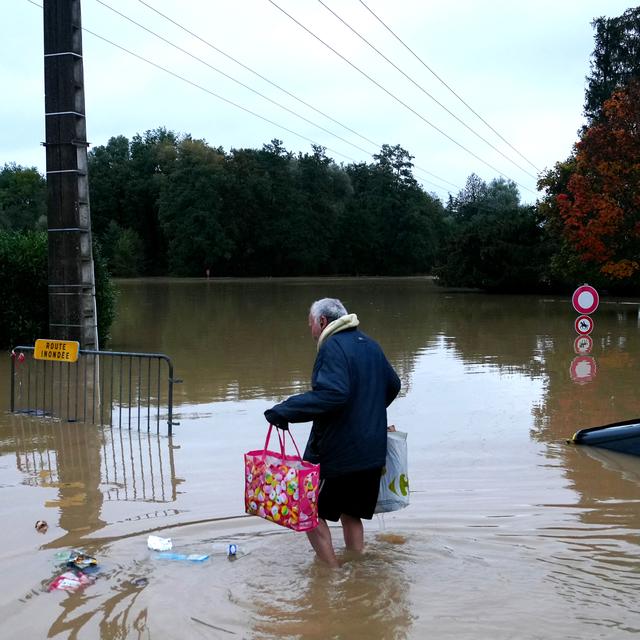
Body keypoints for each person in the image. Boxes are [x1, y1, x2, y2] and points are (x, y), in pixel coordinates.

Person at [264, 298, 401, 567]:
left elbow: (333, 395)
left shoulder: (332, 348)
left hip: (340, 454)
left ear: (323, 322)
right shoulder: (370, 345)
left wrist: (285, 410)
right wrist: (367, 413)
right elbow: (393, 384)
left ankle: (331, 573)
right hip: (373, 451)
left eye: (310, 325)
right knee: (352, 513)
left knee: (307, 510)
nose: (311, 331)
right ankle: (358, 571)